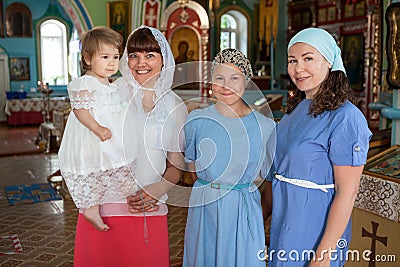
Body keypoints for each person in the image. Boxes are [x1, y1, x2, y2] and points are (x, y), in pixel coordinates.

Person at [71, 25, 187, 267]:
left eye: (150, 55)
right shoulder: (112, 92)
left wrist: (157, 189)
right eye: (133, 55)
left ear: (164, 59)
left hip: (149, 208)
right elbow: (84, 142)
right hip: (105, 208)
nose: (140, 63)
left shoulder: (175, 106)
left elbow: (176, 165)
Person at [267, 28, 372, 266]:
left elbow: (348, 193)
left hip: (314, 226)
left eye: (308, 58)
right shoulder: (293, 111)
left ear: (329, 61)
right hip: (284, 222)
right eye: (292, 60)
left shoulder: (346, 117)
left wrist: (323, 256)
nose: (298, 68)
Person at [183, 48, 276, 266]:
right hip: (204, 207)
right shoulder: (196, 120)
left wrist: (255, 215)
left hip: (242, 209)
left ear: (247, 82)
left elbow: (270, 180)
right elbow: (192, 170)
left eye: (234, 78)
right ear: (211, 83)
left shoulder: (266, 127)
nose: (226, 85)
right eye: (220, 78)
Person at [58, 26, 138, 232]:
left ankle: (121, 199)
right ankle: (91, 208)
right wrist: (97, 127)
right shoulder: (85, 82)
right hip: (93, 138)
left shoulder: (111, 83)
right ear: (87, 59)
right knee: (93, 170)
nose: (112, 62)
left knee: (116, 168)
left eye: (115, 56)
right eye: (105, 57)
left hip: (112, 140)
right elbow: (80, 110)